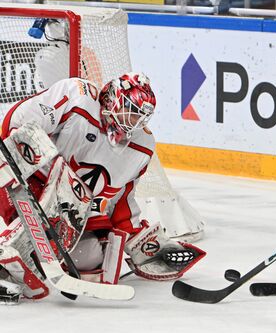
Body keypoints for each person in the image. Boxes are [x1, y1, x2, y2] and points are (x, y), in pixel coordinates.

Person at [0, 72, 205, 304]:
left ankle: (20, 261)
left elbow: (122, 201)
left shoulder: (141, 148)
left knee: (88, 259)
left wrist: (139, 240)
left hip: (69, 210)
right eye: (130, 112)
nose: (134, 123)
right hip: (25, 178)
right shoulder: (77, 95)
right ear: (112, 100)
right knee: (20, 147)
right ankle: (11, 255)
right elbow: (16, 124)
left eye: (140, 117)